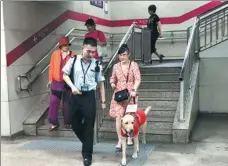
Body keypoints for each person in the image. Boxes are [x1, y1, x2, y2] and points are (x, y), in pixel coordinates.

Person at [62, 37, 106, 166]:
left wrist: (103, 101)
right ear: (82, 48)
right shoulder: (73, 60)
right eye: (89, 51)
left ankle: (87, 155)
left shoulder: (96, 64)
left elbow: (101, 83)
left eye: (94, 52)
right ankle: (87, 142)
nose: (91, 54)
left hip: (89, 97)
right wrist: (73, 87)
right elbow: (64, 75)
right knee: (73, 123)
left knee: (89, 126)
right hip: (76, 95)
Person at [109, 44, 141, 149]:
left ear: (128, 55)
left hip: (130, 95)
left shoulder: (133, 65)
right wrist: (113, 84)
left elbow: (137, 79)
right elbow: (112, 79)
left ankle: (130, 137)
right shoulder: (116, 66)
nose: (122, 57)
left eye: (124, 55)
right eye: (120, 55)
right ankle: (120, 140)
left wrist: (134, 90)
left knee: (130, 117)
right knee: (119, 118)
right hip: (119, 95)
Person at [47, 36, 76, 131]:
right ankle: (54, 123)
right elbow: (51, 68)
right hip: (56, 82)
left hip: (67, 82)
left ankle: (68, 123)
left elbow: (75, 70)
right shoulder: (55, 54)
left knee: (67, 104)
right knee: (53, 102)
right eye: (64, 45)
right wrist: (50, 80)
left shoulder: (73, 55)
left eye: (67, 45)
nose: (66, 47)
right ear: (60, 46)